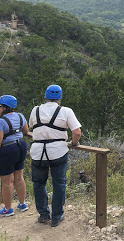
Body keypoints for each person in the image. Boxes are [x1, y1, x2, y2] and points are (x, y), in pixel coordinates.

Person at [29, 84, 81, 227]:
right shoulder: (66, 111)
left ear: (45, 96)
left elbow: (33, 126)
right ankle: (57, 216)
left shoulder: (36, 110)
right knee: (59, 184)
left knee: (39, 184)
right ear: (60, 97)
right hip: (58, 151)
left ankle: (44, 215)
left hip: (38, 152)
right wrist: (74, 143)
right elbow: (77, 132)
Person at [0, 95, 29, 217]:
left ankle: (7, 209)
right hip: (21, 145)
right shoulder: (20, 116)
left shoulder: (1, 121)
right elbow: (26, 131)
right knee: (19, 176)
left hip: (8, 149)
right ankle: (22, 204)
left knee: (6, 181)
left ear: (5, 107)